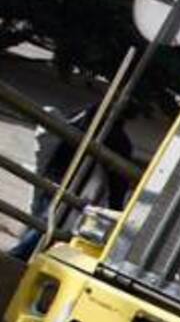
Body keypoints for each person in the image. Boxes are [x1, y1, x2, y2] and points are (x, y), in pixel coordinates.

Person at [9, 104, 133, 262]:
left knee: (42, 218)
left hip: (55, 174)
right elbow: (118, 180)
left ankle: (21, 255)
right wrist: (116, 207)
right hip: (73, 183)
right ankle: (20, 255)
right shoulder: (118, 139)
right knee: (50, 221)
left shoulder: (83, 117)